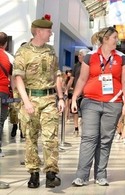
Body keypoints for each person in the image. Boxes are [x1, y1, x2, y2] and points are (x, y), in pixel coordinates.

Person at [71, 26, 125, 187]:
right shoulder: (90, 57)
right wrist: (74, 97)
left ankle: (101, 174)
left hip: (113, 104)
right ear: (105, 39)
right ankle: (82, 175)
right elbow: (82, 79)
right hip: (90, 102)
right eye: (114, 38)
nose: (117, 41)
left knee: (105, 140)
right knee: (89, 138)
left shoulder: (122, 58)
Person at [13, 14, 65, 189]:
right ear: (39, 31)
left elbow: (56, 74)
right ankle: (33, 172)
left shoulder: (51, 51)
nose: (51, 33)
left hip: (49, 99)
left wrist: (60, 98)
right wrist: (26, 101)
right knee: (30, 137)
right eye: (48, 30)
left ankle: (51, 173)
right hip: (30, 99)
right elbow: (18, 78)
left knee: (51, 137)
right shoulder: (23, 52)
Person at [0, 31, 15, 188]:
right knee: (0, 122)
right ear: (5, 44)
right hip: (3, 92)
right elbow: (13, 78)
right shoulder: (9, 57)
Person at [65, 49, 90, 137]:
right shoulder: (76, 66)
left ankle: (85, 129)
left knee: (86, 112)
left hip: (86, 93)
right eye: (79, 55)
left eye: (80, 54)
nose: (78, 56)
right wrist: (67, 89)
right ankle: (76, 128)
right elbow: (72, 79)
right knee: (74, 111)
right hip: (76, 92)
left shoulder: (89, 65)